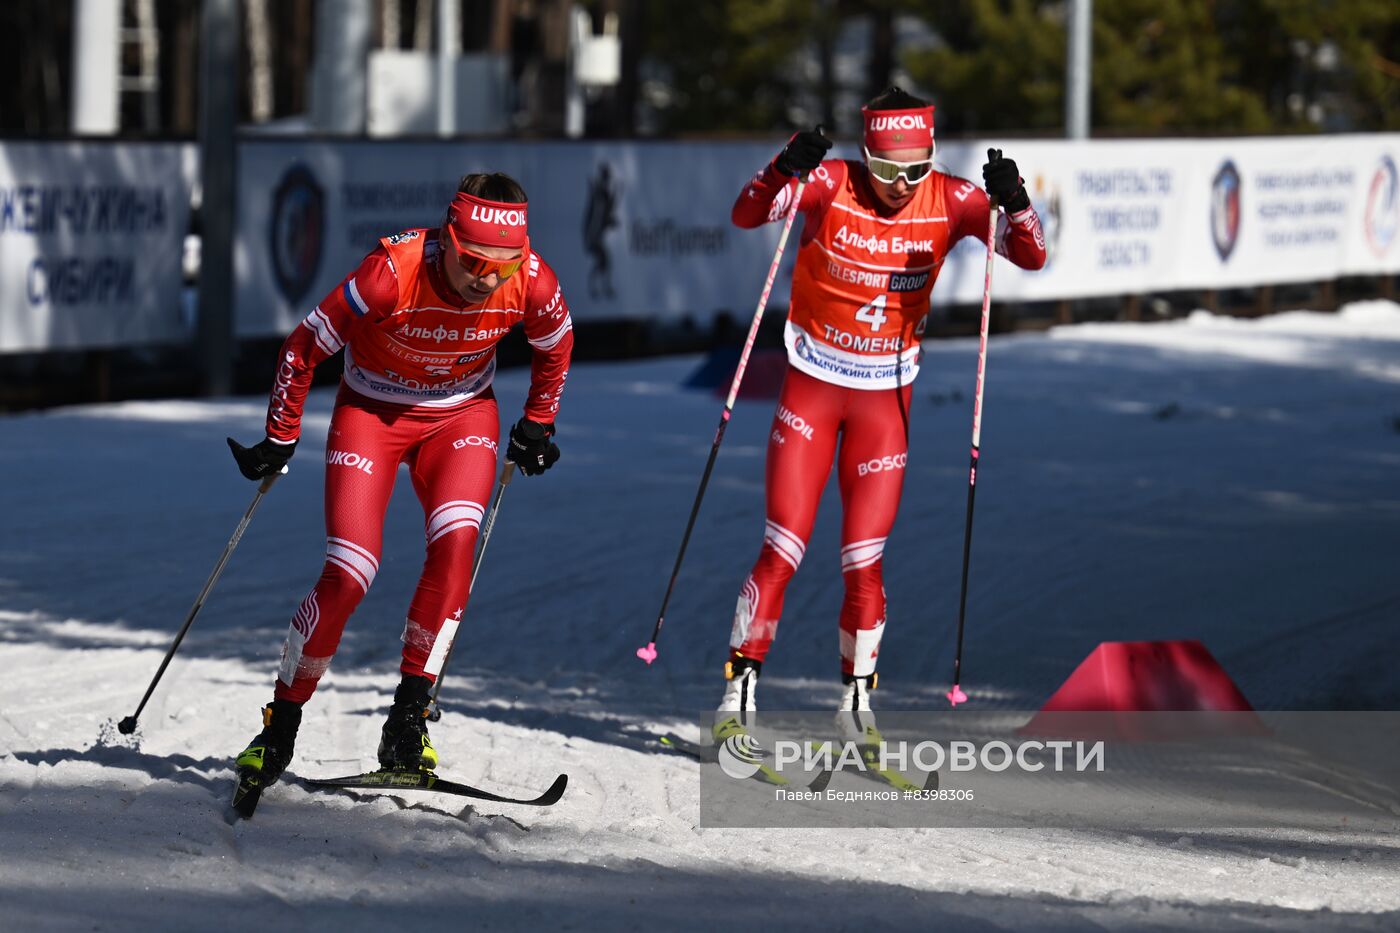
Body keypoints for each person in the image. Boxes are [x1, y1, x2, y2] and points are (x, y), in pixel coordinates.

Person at [716, 87, 1047, 747]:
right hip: (812, 393)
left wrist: (1015, 200)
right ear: (864, 157)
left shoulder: (951, 199)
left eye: (917, 168)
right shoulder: (832, 183)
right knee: (783, 548)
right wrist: (786, 164)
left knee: (864, 561)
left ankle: (856, 708)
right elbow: (748, 213)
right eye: (887, 169)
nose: (902, 184)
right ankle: (738, 693)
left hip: (884, 406)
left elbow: (1031, 254)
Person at [229, 172, 574, 788]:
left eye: (504, 265)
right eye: (474, 262)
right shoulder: (391, 273)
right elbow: (304, 347)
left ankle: (408, 723)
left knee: (457, 545)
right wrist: (281, 434)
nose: (488, 279)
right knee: (351, 573)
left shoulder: (532, 282)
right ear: (447, 240)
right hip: (373, 414)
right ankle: (279, 726)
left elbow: (558, 343)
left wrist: (538, 423)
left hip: (462, 416)